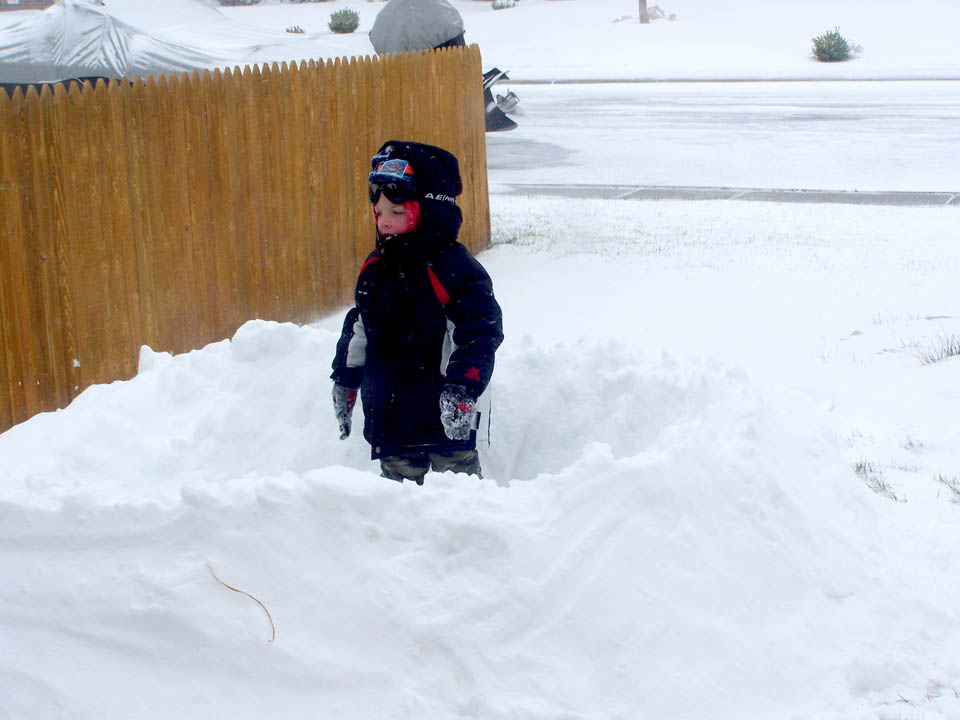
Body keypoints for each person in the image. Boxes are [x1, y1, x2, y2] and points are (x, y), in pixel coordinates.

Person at [331, 140, 504, 485]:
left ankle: (468, 535)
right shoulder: (376, 267)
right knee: (398, 505)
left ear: (430, 210)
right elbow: (361, 325)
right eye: (379, 213)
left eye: (397, 213)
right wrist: (346, 380)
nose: (385, 223)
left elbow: (480, 328)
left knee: (458, 493)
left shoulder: (450, 266)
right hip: (390, 418)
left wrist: (462, 388)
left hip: (444, 417)